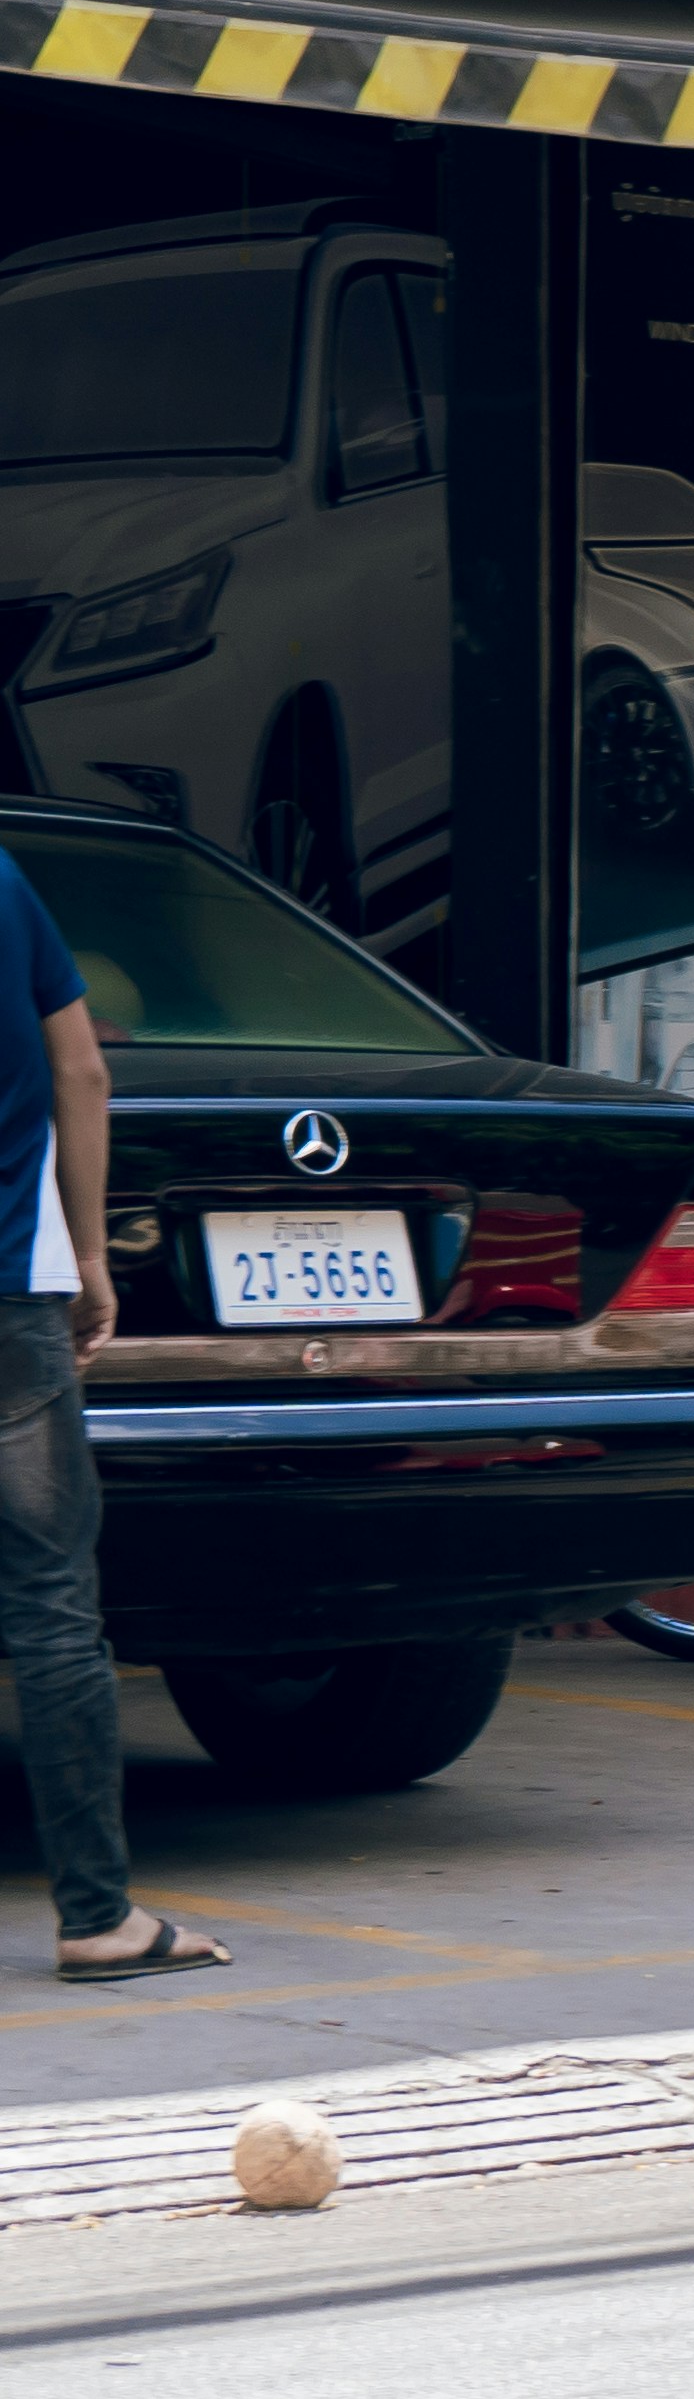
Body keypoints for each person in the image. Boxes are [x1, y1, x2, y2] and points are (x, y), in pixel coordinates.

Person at [3, 844, 208, 1982]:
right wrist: (89, 1254)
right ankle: (97, 1917)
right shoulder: (0, 884)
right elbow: (81, 1071)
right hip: (6, 1302)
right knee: (48, 1605)